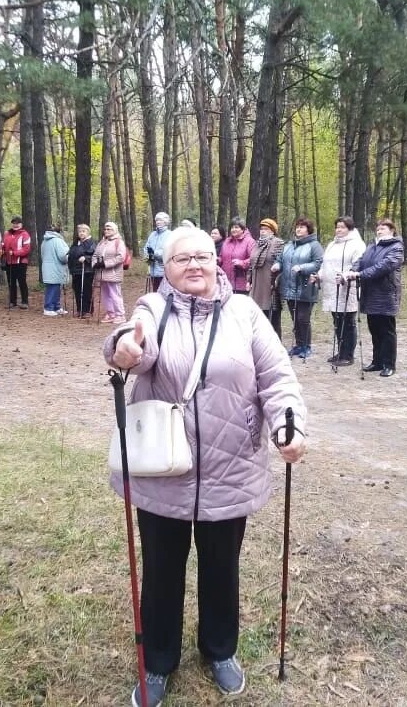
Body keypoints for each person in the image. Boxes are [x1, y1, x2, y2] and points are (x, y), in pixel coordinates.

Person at [104, 227, 307, 707]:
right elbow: (132, 340)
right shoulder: (155, 307)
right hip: (163, 471)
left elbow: (277, 376)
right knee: (161, 571)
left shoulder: (244, 312)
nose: (193, 265)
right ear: (166, 267)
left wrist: (289, 425)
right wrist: (124, 349)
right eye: (181, 259)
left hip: (230, 469)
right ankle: (156, 662)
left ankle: (219, 650)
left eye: (201, 256)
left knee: (222, 568)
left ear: (216, 261)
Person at [344, 218, 404, 376]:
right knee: (374, 329)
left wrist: (360, 274)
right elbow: (361, 261)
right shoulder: (371, 246)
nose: (380, 230)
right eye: (378, 228)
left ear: (392, 230)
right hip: (370, 293)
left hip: (386, 294)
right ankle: (377, 361)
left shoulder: (396, 247)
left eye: (383, 228)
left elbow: (384, 266)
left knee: (387, 331)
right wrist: (352, 270)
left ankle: (389, 364)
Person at [318, 216, 366, 366]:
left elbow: (358, 265)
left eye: (342, 227)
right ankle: (341, 350)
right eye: (337, 227)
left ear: (350, 229)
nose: (339, 230)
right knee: (337, 320)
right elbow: (325, 264)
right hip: (332, 287)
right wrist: (318, 276)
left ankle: (348, 355)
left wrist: (346, 277)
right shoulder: (332, 244)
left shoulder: (357, 245)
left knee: (348, 321)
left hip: (348, 287)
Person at [275, 217, 324, 358]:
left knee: (303, 318)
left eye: (302, 227)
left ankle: (306, 346)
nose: (299, 229)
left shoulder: (314, 245)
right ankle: (299, 344)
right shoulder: (289, 245)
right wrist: (278, 265)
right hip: (289, 286)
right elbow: (281, 259)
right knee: (295, 317)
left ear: (308, 230)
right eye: (297, 226)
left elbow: (318, 263)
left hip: (305, 287)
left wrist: (302, 267)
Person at [248, 218, 284, 335]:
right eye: (261, 229)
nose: (263, 231)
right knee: (258, 316)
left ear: (272, 231)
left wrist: (276, 281)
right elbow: (251, 263)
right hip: (257, 285)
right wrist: (249, 280)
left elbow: (281, 262)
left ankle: (276, 343)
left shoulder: (278, 243)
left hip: (270, 284)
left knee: (273, 316)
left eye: (266, 229)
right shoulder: (256, 244)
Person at [94, 221, 127, 323]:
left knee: (115, 294)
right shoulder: (102, 242)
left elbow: (121, 257)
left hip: (113, 273)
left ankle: (120, 315)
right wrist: (95, 263)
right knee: (105, 295)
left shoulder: (119, 242)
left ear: (115, 230)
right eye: (105, 229)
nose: (106, 231)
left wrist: (106, 263)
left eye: (109, 229)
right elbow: (95, 255)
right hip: (102, 273)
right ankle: (110, 313)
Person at [219, 218, 255, 295]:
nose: (233, 229)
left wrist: (242, 263)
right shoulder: (227, 241)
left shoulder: (250, 241)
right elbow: (221, 257)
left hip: (241, 282)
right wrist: (217, 260)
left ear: (243, 229)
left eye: (236, 227)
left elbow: (254, 259)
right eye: (232, 227)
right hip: (226, 282)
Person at [2, 216, 32, 309]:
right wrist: (2, 250)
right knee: (11, 282)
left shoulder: (25, 234)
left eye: (17, 223)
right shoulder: (7, 234)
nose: (15, 225)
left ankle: (24, 301)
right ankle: (12, 301)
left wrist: (15, 253)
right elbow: (3, 244)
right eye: (14, 223)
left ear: (21, 224)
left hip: (21, 262)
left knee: (22, 281)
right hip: (9, 261)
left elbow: (27, 249)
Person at [68, 223, 97, 317]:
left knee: (86, 290)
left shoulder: (91, 243)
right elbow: (71, 252)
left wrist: (86, 258)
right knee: (77, 290)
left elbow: (94, 255)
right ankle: (79, 309)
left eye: (83, 231)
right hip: (76, 270)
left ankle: (87, 310)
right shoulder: (76, 243)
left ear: (88, 232)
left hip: (86, 270)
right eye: (80, 231)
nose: (81, 233)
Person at [40, 224, 70, 316]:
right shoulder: (58, 241)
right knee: (53, 288)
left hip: (47, 267)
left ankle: (56, 307)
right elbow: (63, 256)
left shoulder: (44, 241)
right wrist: (69, 257)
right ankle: (48, 308)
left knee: (54, 287)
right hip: (56, 268)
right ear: (59, 232)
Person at [143, 212, 172, 292]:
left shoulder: (170, 235)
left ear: (166, 221)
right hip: (153, 271)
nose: (158, 222)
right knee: (155, 293)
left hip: (165, 272)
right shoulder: (152, 235)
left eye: (160, 220)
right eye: (156, 220)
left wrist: (154, 254)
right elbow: (146, 248)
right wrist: (147, 256)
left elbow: (169, 252)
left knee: (165, 293)